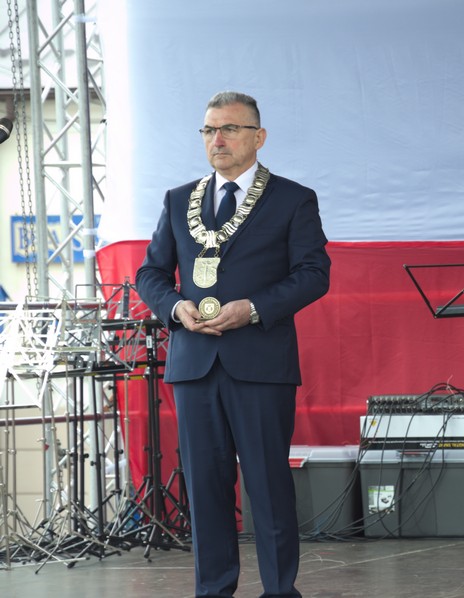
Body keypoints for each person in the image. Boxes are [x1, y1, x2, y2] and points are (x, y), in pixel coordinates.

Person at [135, 91, 330, 597]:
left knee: (267, 485)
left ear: (258, 137)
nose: (216, 139)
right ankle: (214, 590)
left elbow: (314, 274)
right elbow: (150, 273)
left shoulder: (292, 199)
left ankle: (280, 591)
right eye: (208, 130)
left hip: (259, 361)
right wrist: (175, 308)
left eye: (229, 129)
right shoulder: (179, 199)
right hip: (194, 362)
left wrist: (253, 307)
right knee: (205, 488)